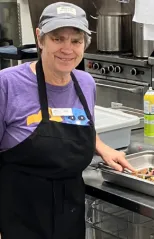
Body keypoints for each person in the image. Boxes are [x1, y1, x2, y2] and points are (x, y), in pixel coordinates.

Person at [0, 2, 135, 239]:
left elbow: (81, 123)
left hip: (69, 214)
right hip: (18, 217)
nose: (67, 49)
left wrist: (102, 147)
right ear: (40, 39)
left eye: (76, 41)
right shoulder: (7, 84)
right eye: (57, 38)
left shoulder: (85, 83)